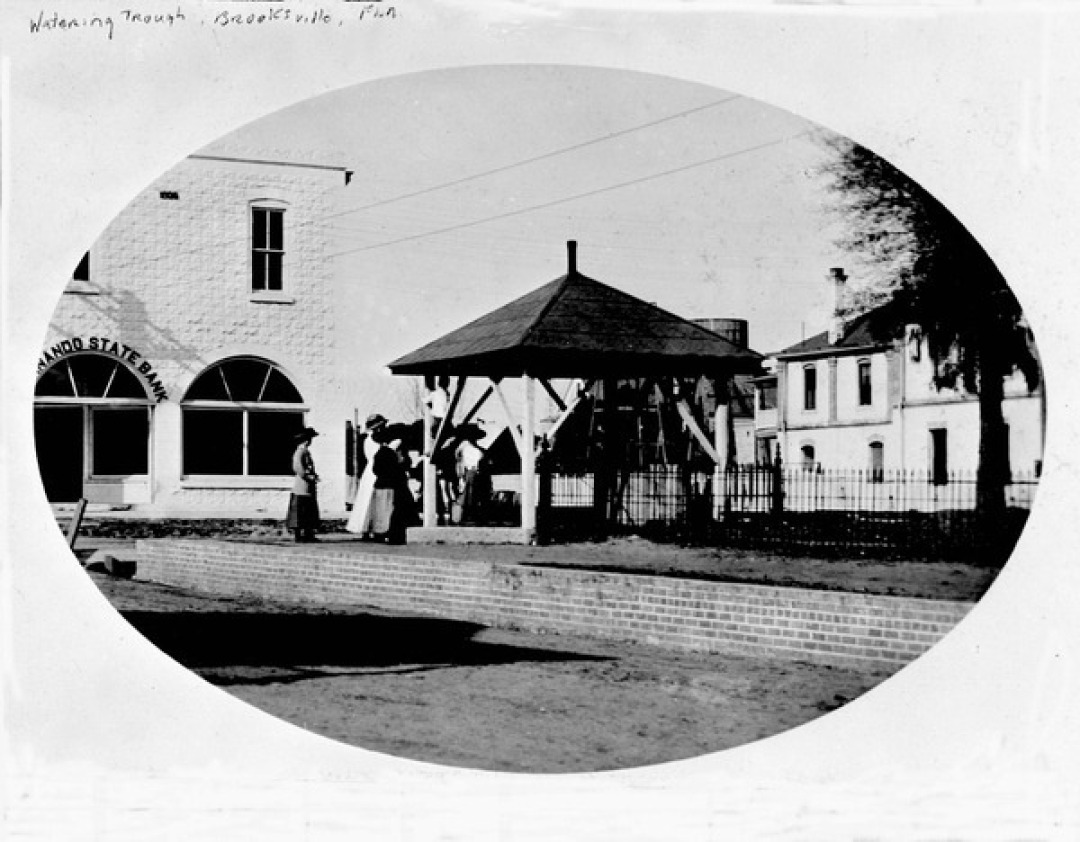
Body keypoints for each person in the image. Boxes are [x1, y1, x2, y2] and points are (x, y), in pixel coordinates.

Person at [345, 413, 387, 536]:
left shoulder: (367, 440)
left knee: (367, 500)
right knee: (372, 500)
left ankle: (368, 528)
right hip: (375, 469)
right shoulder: (374, 441)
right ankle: (372, 527)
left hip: (369, 471)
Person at [286, 427, 320, 543]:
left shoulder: (304, 451)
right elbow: (298, 467)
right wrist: (307, 476)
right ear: (306, 440)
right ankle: (300, 534)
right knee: (302, 511)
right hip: (302, 486)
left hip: (307, 485)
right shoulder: (300, 452)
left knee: (307, 511)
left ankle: (307, 533)